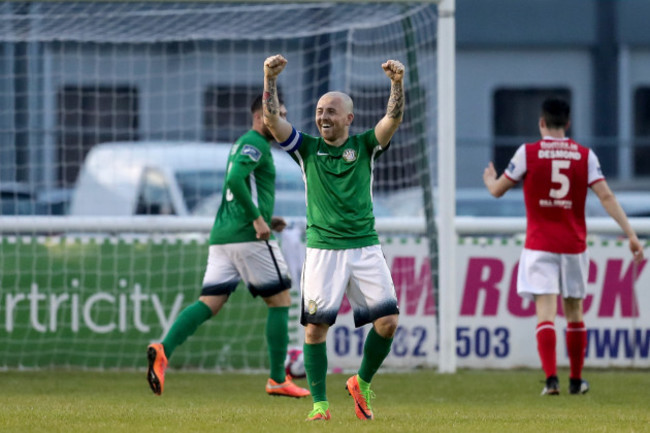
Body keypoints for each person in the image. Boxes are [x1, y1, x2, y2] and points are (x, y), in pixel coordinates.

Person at [262, 54, 405, 421]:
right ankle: (321, 406)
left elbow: (392, 119)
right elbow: (272, 120)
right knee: (315, 330)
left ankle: (361, 382)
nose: (323, 117)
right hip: (324, 251)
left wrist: (396, 84)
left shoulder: (365, 146)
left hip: (365, 247)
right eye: (320, 110)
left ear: (349, 119)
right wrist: (270, 78)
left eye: (331, 111)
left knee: (388, 323)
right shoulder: (307, 148)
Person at [146, 95, 310, 399]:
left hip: (223, 237)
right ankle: (277, 378)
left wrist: (266, 217)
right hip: (247, 237)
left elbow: (239, 187)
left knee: (210, 302)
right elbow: (235, 179)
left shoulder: (245, 143)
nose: (285, 122)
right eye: (280, 116)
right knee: (281, 301)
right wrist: (258, 220)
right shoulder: (256, 144)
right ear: (262, 116)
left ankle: (163, 350)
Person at [483, 97, 645, 396]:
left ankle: (551, 381)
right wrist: (631, 234)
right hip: (573, 245)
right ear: (568, 124)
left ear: (541, 122)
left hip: (540, 244)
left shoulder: (527, 153)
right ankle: (575, 380)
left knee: (546, 312)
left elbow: (497, 191)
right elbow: (606, 196)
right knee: (574, 312)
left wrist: (490, 179)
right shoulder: (585, 156)